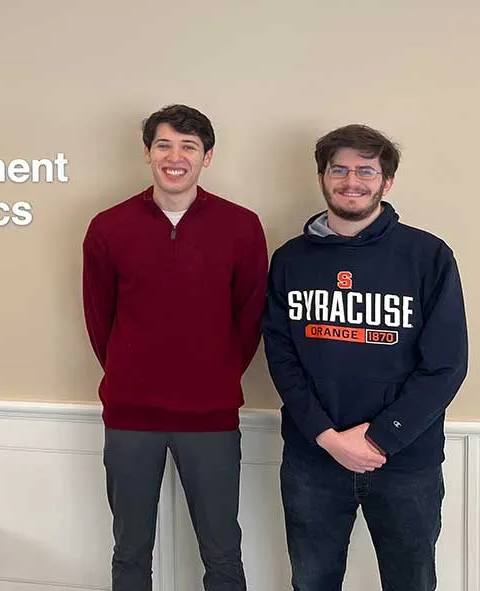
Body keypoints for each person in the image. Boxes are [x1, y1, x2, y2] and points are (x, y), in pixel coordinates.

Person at [263, 124, 468, 590]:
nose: (350, 180)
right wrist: (327, 436)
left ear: (386, 182)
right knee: (312, 581)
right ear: (321, 177)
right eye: (339, 169)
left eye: (365, 170)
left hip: (405, 462)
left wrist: (379, 438)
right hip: (313, 458)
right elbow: (281, 356)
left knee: (411, 582)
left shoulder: (429, 256)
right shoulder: (290, 260)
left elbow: (446, 364)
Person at [82, 104, 267, 590]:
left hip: (211, 417)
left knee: (223, 552)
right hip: (130, 416)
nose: (175, 156)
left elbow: (249, 319)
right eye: (164, 145)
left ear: (207, 157)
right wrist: (131, 370)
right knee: (130, 552)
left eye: (189, 146)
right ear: (147, 153)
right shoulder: (108, 226)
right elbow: (99, 319)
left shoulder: (242, 226)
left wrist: (217, 373)